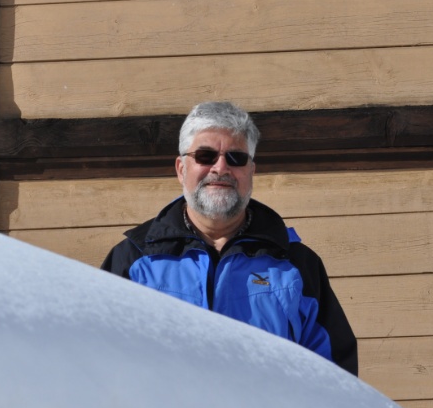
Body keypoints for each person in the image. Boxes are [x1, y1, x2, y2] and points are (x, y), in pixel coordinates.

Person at [101, 101, 358, 376]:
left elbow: (335, 376)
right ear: (181, 169)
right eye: (205, 156)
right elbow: (98, 360)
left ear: (251, 171)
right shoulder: (134, 261)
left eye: (236, 158)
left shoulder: (296, 265)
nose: (221, 168)